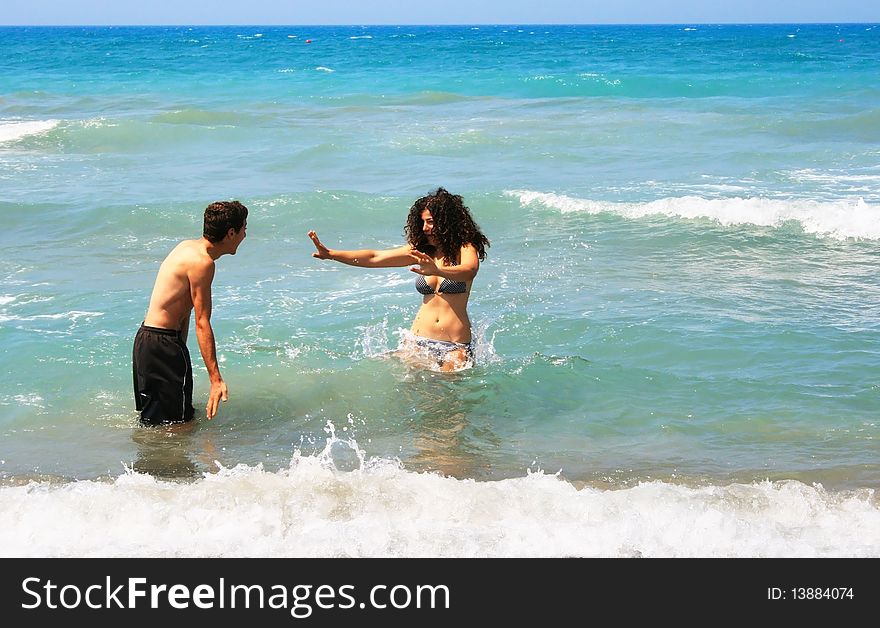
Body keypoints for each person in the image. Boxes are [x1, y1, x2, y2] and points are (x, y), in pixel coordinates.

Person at [308, 187, 489, 371]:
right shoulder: (422, 251)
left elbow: (469, 270)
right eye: (423, 223)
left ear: (446, 222)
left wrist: (438, 271)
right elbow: (374, 257)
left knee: (447, 396)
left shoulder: (465, 247)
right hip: (417, 342)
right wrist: (331, 254)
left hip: (455, 346)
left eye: (431, 222)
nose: (425, 228)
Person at [132, 200, 248, 424]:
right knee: (175, 427)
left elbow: (183, 310)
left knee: (160, 422)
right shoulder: (203, 263)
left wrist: (180, 351)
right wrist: (216, 379)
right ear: (231, 233)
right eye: (244, 229)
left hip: (149, 341)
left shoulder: (187, 247)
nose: (245, 235)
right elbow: (202, 321)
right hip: (162, 345)